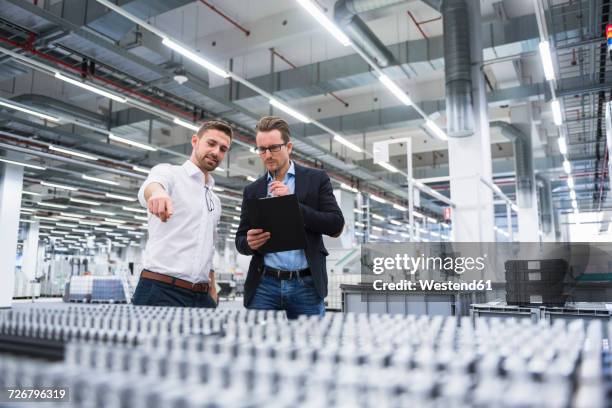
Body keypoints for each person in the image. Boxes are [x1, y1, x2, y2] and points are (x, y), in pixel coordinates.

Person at [235, 116, 344, 319]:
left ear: (289, 147)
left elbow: (335, 225)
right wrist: (249, 243)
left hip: (306, 284)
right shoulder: (253, 190)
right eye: (262, 149)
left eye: (274, 148)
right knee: (259, 347)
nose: (267, 155)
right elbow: (240, 240)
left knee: (309, 346)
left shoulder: (316, 179)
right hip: (264, 285)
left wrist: (292, 204)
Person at [132, 120, 233, 307]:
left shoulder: (214, 200)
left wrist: (212, 285)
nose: (216, 152)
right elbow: (153, 184)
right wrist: (158, 193)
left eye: (223, 149)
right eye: (211, 144)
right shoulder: (170, 173)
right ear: (195, 141)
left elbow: (208, 246)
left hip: (201, 296)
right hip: (161, 290)